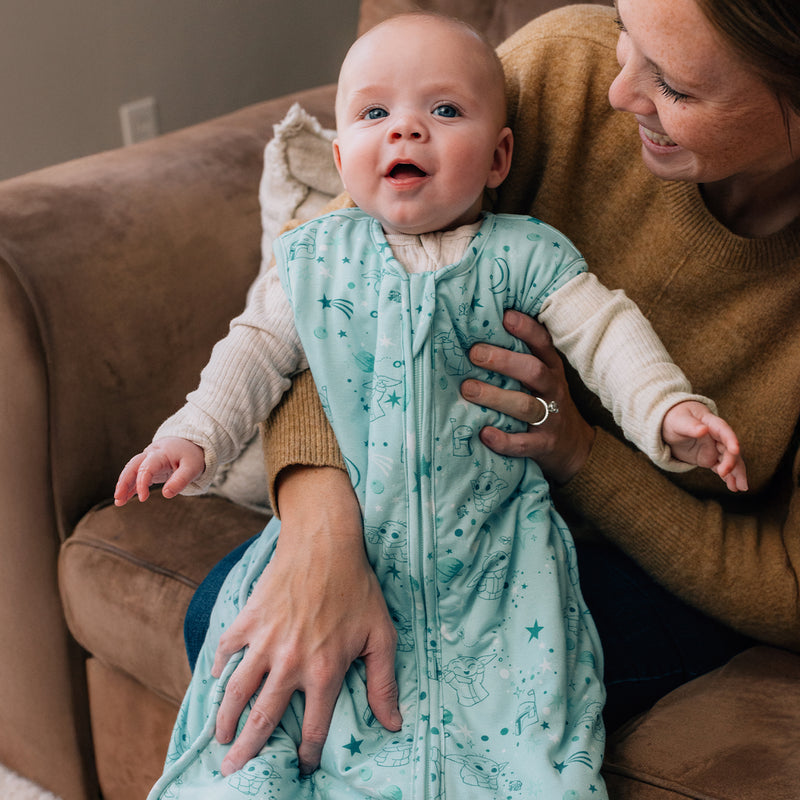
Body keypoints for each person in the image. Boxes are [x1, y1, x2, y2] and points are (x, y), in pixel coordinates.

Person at [116, 12, 749, 799]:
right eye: (374, 114)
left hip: (496, 552)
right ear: (342, 153)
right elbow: (254, 354)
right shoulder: (314, 257)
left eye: (444, 112)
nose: (407, 129)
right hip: (351, 540)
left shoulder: (526, 254)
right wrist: (194, 435)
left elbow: (604, 329)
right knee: (250, 716)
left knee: (524, 733)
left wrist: (666, 412)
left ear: (498, 157)